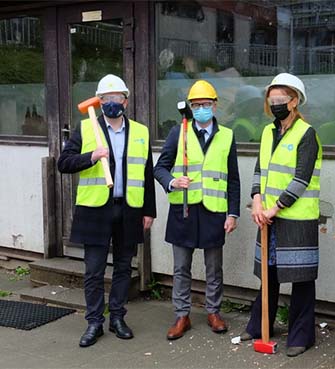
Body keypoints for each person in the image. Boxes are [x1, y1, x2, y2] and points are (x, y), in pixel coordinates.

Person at [57, 74, 156, 347]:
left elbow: (146, 173)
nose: (112, 103)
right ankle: (94, 323)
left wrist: (149, 211)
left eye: (117, 98)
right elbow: (63, 163)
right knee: (94, 270)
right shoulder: (87, 129)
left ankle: (118, 318)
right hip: (95, 210)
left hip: (129, 208)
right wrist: (92, 156)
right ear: (99, 102)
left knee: (124, 267)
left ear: (125, 100)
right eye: (106, 99)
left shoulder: (140, 131)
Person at [239, 73, 322, 358]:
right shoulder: (267, 132)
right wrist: (257, 202)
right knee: (269, 273)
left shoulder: (306, 134)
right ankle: (261, 323)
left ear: (294, 101)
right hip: (268, 216)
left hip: (296, 218)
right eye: (271, 100)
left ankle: (301, 335)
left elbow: (301, 179)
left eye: (280, 100)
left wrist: (274, 208)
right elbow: (260, 170)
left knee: (300, 278)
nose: (275, 104)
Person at [154, 80, 241, 339]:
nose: (201, 108)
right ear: (190, 108)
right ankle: (182, 315)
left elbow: (233, 179)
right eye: (196, 105)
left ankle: (214, 312)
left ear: (215, 105)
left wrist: (233, 213)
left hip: (214, 209)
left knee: (214, 268)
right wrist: (171, 182)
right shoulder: (177, 133)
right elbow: (159, 167)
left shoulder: (227, 136)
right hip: (184, 210)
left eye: (205, 104)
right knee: (181, 267)